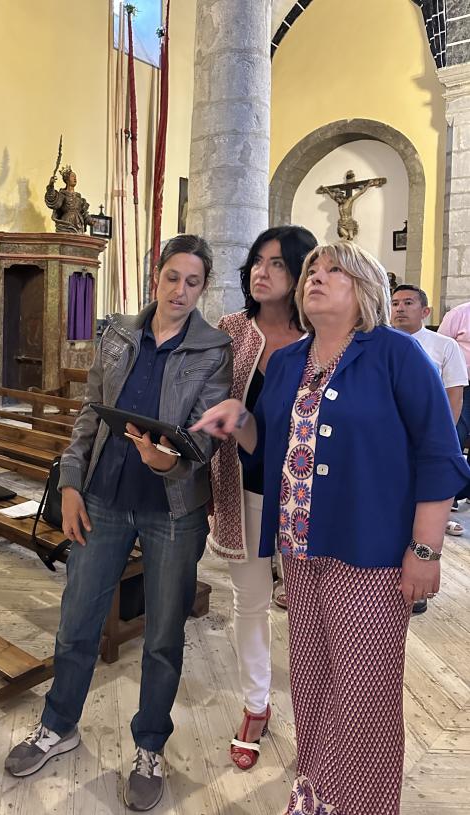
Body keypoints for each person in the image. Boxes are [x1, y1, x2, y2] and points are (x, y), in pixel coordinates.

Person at [192, 241, 470, 815]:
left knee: (364, 696)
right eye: (311, 271)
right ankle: (316, 793)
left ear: (364, 288)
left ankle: (365, 805)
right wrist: (238, 418)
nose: (315, 278)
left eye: (333, 271)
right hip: (300, 550)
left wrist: (425, 548)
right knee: (315, 686)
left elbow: (439, 455)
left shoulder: (396, 355)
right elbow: (270, 448)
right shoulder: (292, 360)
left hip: (371, 554)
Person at [5, 234, 232, 812]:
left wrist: (171, 461)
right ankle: (59, 725)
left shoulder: (213, 348)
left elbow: (206, 438)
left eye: (193, 282)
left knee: (161, 638)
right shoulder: (119, 334)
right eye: (172, 277)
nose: (180, 291)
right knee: (77, 620)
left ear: (203, 288)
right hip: (103, 498)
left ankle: (149, 746)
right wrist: (74, 484)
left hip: (172, 512)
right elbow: (90, 411)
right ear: (155, 277)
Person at [208, 225, 317, 770]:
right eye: (257, 260)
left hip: (308, 496)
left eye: (277, 263)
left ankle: (319, 718)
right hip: (244, 486)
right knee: (249, 600)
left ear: (300, 274)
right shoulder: (230, 331)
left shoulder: (322, 337)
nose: (261, 271)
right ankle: (256, 703)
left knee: (312, 609)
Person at [391, 283, 468, 577]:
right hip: (388, 440)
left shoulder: (443, 345)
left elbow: (454, 395)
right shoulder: (375, 343)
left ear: (425, 311)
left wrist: (441, 441)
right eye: (395, 303)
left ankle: (420, 566)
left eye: (408, 303)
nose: (400, 308)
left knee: (423, 507)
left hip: (425, 438)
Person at [438, 300, 470, 504]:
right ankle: (451, 493)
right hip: (462, 384)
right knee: (456, 432)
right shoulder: (460, 313)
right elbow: (441, 346)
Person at [44, 165, 91, 234]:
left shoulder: (79, 198)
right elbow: (52, 200)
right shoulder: (62, 194)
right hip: (66, 223)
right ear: (67, 179)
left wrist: (91, 221)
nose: (75, 179)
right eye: (72, 176)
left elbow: (84, 214)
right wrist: (51, 186)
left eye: (75, 177)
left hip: (78, 224)